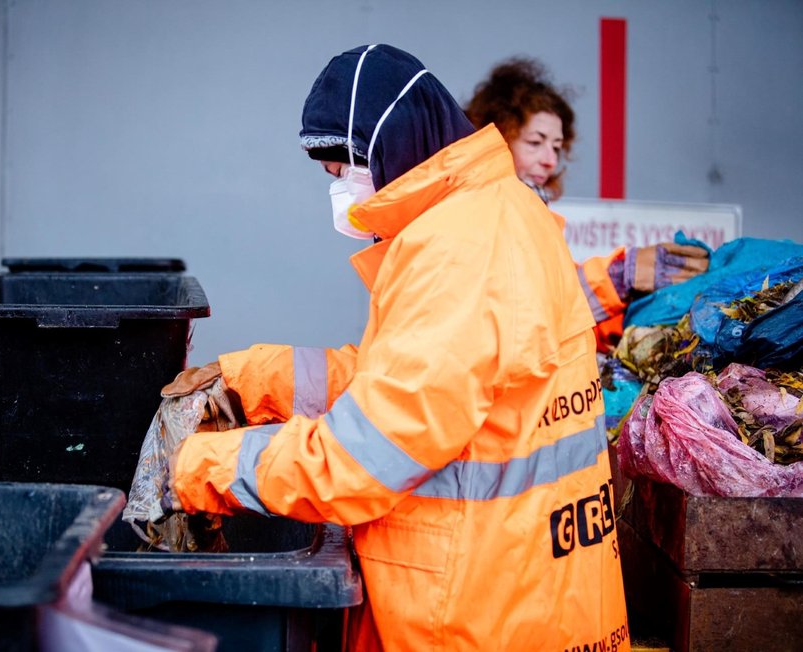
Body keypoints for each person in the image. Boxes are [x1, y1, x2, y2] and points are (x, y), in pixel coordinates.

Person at [160, 44, 629, 650]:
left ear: (390, 146)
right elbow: (419, 381)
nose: (338, 194)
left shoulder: (458, 250)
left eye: (342, 174)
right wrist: (255, 377)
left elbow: (360, 461)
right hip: (528, 592)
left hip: (473, 616)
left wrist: (197, 469)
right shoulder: (498, 210)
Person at [463, 57, 709, 352]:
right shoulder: (475, 212)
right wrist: (619, 277)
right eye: (535, 142)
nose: (550, 160)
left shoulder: (532, 216)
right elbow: (528, 313)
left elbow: (560, 313)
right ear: (495, 138)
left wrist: (628, 323)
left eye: (556, 147)